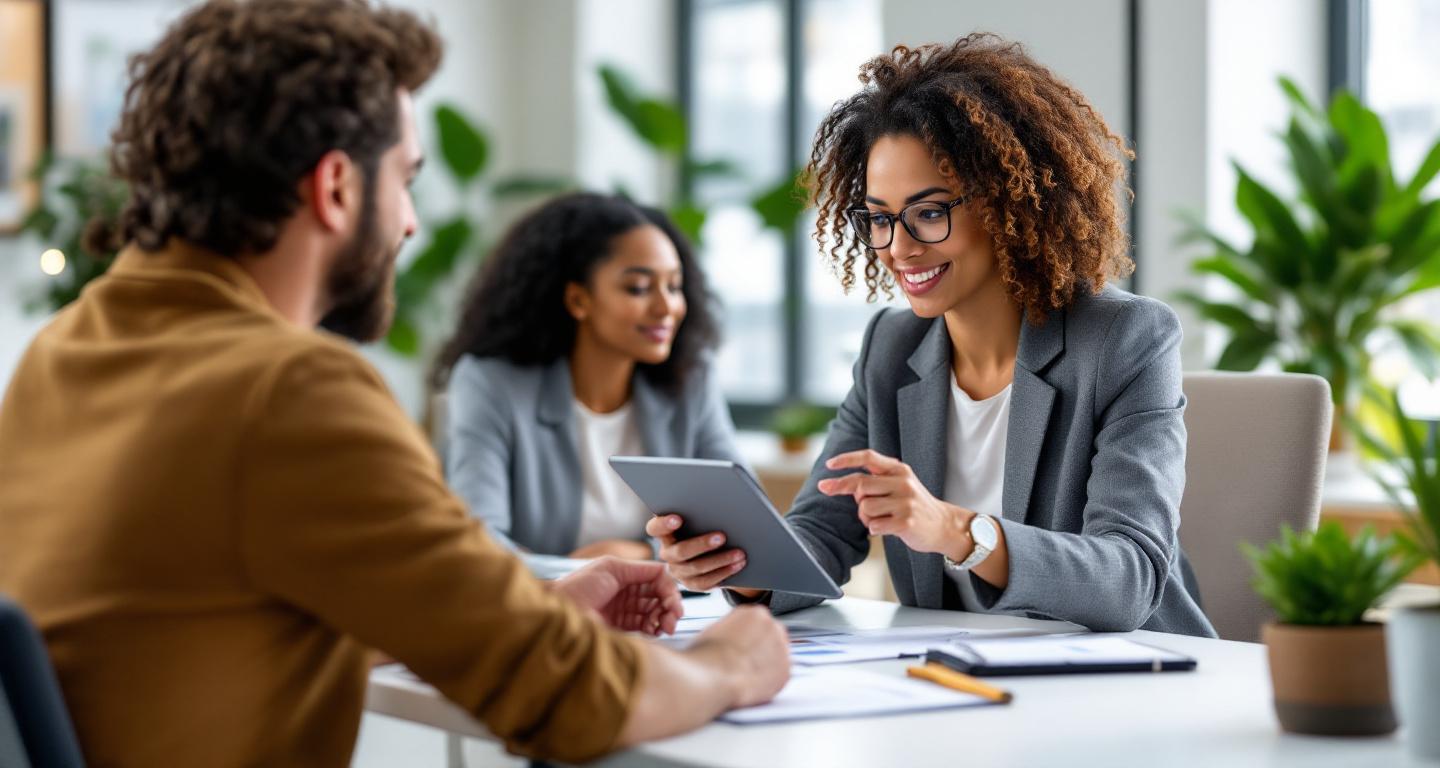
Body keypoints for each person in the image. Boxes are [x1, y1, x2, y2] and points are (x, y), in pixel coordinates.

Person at [0, 2, 789, 766]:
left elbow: (210, 625)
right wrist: (730, 664)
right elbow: (567, 697)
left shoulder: (63, 350)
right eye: (405, 178)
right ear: (336, 187)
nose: (410, 221)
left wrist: (535, 611)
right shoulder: (290, 389)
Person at [651, 34, 1217, 638]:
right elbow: (822, 531)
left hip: (1134, 670)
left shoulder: (1124, 340)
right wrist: (742, 565)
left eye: (928, 212)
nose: (898, 247)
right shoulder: (892, 350)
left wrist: (955, 531)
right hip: (965, 673)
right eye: (880, 218)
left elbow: (1129, 579)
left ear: (1007, 204)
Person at [433, 192, 744, 560]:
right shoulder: (491, 383)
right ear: (578, 300)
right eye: (639, 288)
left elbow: (744, 525)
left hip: (668, 596)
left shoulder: (691, 379)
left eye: (674, 286)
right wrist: (579, 575)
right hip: (540, 596)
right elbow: (478, 542)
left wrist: (637, 555)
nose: (666, 307)